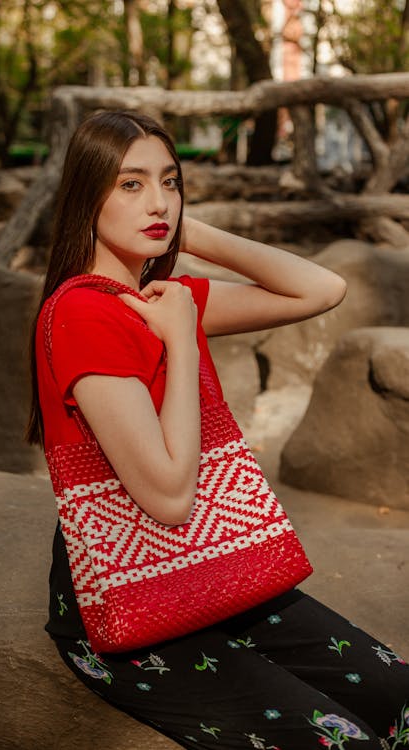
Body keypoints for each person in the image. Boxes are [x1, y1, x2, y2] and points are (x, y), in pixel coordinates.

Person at [27, 110, 408, 750]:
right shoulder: (82, 315)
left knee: (399, 694)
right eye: (130, 185)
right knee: (345, 740)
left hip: (215, 570)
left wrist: (187, 235)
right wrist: (180, 340)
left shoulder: (163, 294)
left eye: (170, 183)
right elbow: (170, 500)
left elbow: (321, 288)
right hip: (133, 602)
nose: (158, 202)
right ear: (84, 197)